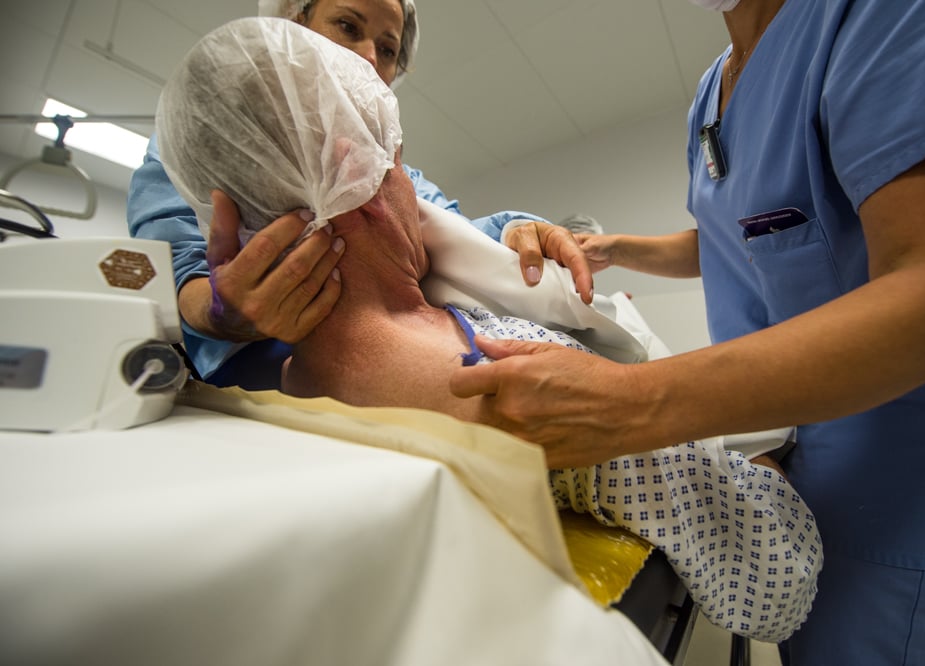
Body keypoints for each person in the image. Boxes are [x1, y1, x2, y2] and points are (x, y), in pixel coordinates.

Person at [155, 16, 822, 642]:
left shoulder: (296, 382)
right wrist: (758, 458)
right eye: (399, 163)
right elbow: (778, 582)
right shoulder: (510, 379)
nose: (415, 191)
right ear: (350, 163)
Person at [449, 0, 925, 664]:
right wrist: (619, 247)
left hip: (900, 467)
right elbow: (747, 234)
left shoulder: (887, 16)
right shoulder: (712, 96)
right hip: (781, 446)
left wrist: (634, 402)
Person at [127, 0, 590, 391]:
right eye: (348, 25)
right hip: (258, 391)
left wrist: (517, 230)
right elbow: (173, 270)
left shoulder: (398, 171)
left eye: (388, 49)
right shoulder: (207, 143)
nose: (369, 58)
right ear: (293, 22)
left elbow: (451, 233)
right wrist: (222, 313)